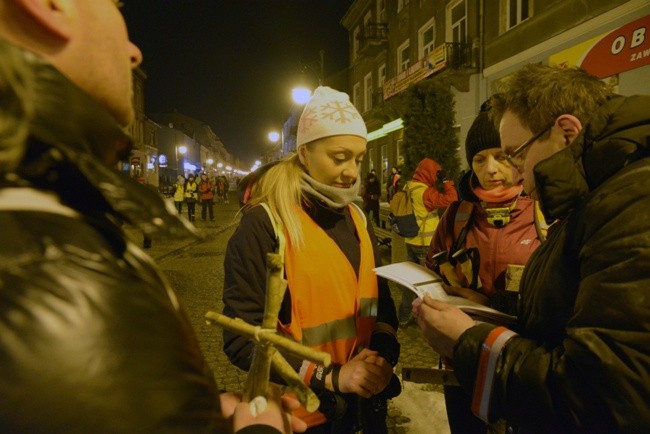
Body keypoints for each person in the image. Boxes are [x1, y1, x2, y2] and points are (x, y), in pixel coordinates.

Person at [0, 1, 303, 433]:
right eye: (108, 6)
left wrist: (192, 413)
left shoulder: (48, 216)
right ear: (47, 7)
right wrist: (262, 429)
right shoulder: (52, 277)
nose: (133, 52)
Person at [414, 63, 650, 433]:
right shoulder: (594, 202)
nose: (513, 171)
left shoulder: (632, 206)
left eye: (515, 153)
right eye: (484, 159)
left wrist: (469, 339)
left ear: (567, 134)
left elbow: (601, 397)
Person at [223, 86, 401, 434]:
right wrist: (333, 376)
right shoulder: (265, 225)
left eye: (358, 159)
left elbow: (381, 306)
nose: (352, 172)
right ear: (304, 153)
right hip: (303, 415)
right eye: (339, 157)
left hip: (365, 411)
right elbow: (241, 338)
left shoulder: (358, 218)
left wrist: (380, 357)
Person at [425, 102, 543, 434]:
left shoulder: (547, 214)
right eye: (479, 159)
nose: (490, 169)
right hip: (461, 363)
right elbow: (432, 269)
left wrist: (491, 307)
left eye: (501, 156)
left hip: (521, 368)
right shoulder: (457, 215)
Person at [397, 157, 457, 326]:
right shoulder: (425, 192)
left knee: (411, 281)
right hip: (425, 244)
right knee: (428, 284)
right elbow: (452, 199)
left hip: (411, 240)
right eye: (435, 174)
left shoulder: (409, 187)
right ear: (429, 174)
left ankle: (403, 315)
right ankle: (426, 319)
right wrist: (446, 181)